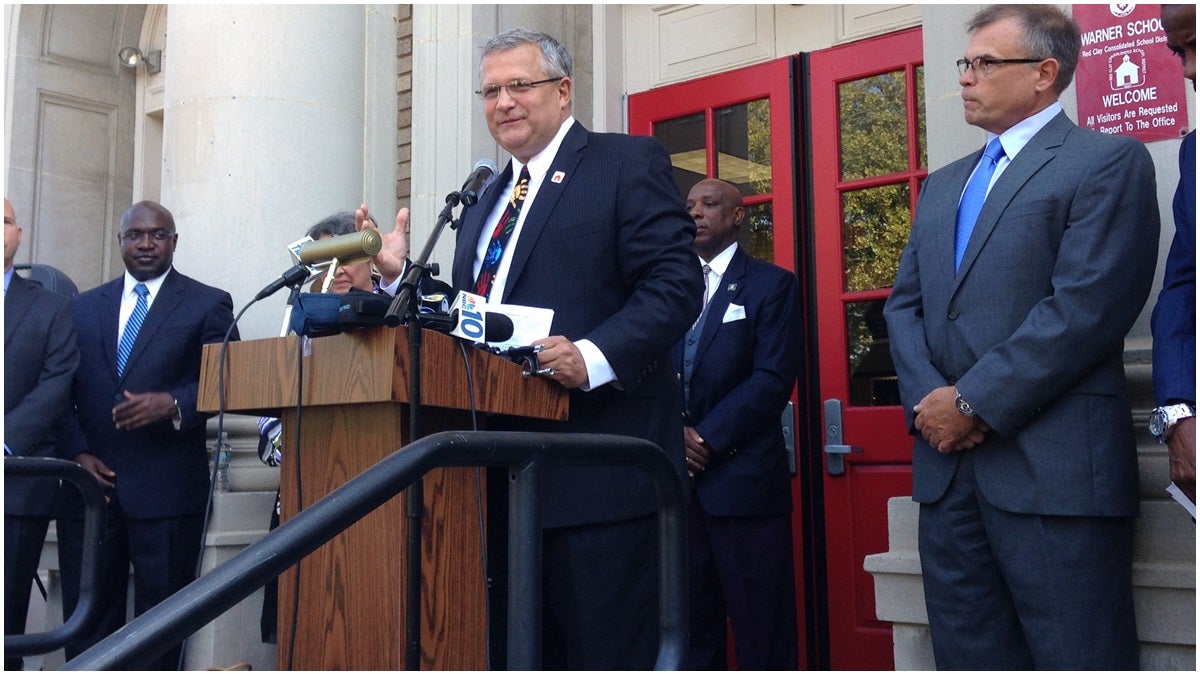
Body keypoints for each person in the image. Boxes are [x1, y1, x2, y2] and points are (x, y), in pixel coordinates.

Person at [362, 27, 702, 669]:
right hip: (498, 481)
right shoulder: (486, 196)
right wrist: (395, 276)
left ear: (564, 90)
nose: (504, 102)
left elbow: (676, 285)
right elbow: (475, 318)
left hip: (599, 479)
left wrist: (593, 356)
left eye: (521, 85)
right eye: (491, 91)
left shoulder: (625, 162)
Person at [882, 5, 1159, 669]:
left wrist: (972, 402)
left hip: (1055, 476)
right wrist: (932, 408)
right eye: (964, 64)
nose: (966, 79)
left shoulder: (1107, 162)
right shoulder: (943, 186)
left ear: (1044, 73)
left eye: (984, 64)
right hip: (948, 478)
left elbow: (1086, 309)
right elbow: (904, 308)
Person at [57, 200, 239, 669]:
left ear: (173, 242)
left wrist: (175, 403)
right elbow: (57, 389)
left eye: (157, 234)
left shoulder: (207, 302)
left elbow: (228, 379)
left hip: (168, 493)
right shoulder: (80, 307)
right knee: (87, 626)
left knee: (161, 626)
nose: (145, 243)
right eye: (134, 235)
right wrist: (76, 452)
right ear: (120, 242)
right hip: (91, 491)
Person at [673, 179, 801, 669]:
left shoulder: (771, 285)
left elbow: (771, 380)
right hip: (677, 487)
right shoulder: (668, 290)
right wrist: (672, 436)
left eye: (709, 204)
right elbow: (648, 373)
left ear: (738, 215)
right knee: (690, 628)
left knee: (760, 630)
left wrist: (704, 438)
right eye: (690, 206)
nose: (697, 213)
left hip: (744, 486)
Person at [4, 198, 81, 671]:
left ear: (20, 235)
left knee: (5, 618)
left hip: (18, 482)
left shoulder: (51, 307)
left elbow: (58, 380)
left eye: (5, 221)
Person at [1150, 3, 1195, 506]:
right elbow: (1182, 289)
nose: (1189, 69)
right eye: (1179, 51)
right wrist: (1178, 414)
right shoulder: (1195, 153)